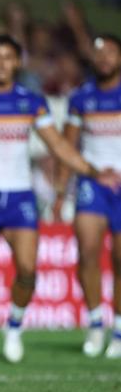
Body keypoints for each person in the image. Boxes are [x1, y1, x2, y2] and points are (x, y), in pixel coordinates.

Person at [0, 34, 121, 366]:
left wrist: (91, 170)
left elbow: (59, 146)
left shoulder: (31, 102)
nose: (3, 63)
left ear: (18, 62)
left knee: (28, 272)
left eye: (9, 57)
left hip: (20, 195)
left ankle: (14, 325)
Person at [53, 35, 121, 358]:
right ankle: (96, 324)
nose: (105, 58)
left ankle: (118, 329)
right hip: (92, 183)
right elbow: (68, 146)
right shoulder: (81, 98)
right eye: (99, 53)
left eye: (110, 52)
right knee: (88, 251)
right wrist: (59, 191)